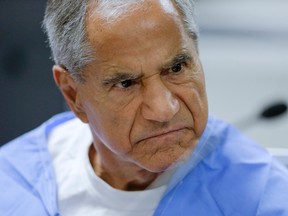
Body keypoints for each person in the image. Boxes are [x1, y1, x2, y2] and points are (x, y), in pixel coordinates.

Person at [1, 0, 288, 215]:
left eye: (176, 67)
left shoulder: (265, 199)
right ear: (72, 93)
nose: (164, 110)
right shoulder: (12, 183)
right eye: (126, 83)